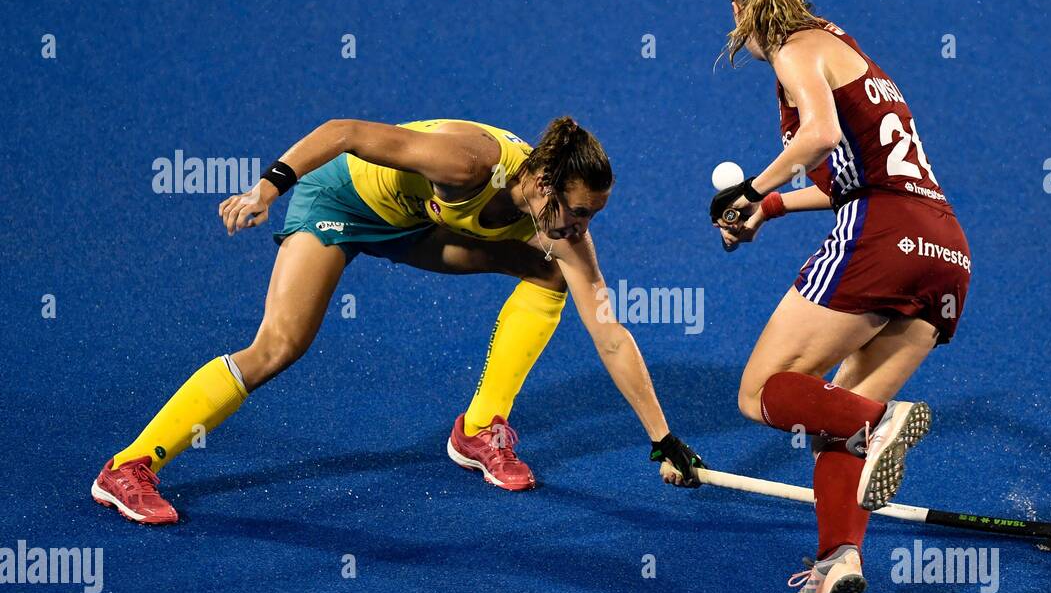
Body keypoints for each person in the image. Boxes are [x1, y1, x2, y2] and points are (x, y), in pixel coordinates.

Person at [92, 115, 703, 523]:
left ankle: (480, 427)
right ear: (541, 182)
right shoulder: (467, 162)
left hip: (412, 224)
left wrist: (662, 440)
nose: (579, 229)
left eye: (591, 217)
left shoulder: (558, 225)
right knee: (280, 345)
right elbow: (343, 130)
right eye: (575, 211)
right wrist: (265, 190)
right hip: (339, 202)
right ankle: (130, 466)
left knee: (549, 272)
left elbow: (610, 335)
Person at [710, 0, 971, 593]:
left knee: (760, 391)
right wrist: (768, 210)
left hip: (881, 239)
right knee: (836, 422)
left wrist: (752, 186)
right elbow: (846, 175)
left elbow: (822, 137)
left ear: (739, 9)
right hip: (945, 251)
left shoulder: (793, 49)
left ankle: (880, 420)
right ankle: (838, 563)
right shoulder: (844, 47)